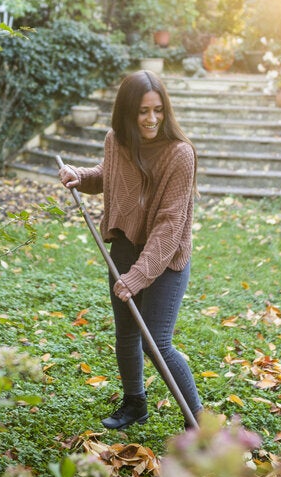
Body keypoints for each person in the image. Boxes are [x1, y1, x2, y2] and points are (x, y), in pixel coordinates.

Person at [58, 70, 203, 430]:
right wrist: (81, 176)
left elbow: (170, 225)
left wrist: (139, 275)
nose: (151, 119)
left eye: (157, 110)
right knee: (126, 335)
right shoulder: (117, 140)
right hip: (124, 246)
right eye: (142, 111)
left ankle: (198, 420)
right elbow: (110, 176)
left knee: (157, 342)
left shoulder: (180, 155)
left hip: (166, 258)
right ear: (127, 113)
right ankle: (135, 404)